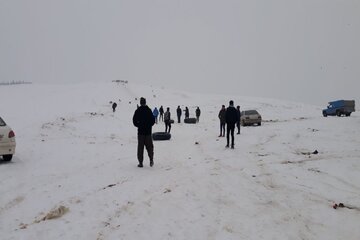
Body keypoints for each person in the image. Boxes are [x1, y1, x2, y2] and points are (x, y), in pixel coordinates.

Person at [132, 97, 155, 167]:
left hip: (140, 133)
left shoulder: (137, 111)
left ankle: (140, 163)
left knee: (140, 148)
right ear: (145, 102)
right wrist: (148, 125)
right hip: (148, 132)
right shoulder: (149, 110)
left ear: (140, 103)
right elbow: (153, 121)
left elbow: (134, 121)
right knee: (149, 147)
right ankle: (151, 160)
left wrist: (139, 125)